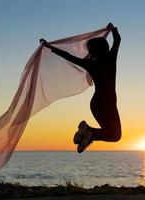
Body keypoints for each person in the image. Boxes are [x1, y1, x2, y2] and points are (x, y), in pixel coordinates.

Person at [40, 23, 121, 153]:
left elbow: (69, 57)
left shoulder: (91, 64)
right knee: (115, 135)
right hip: (108, 103)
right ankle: (89, 133)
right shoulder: (111, 58)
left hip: (97, 103)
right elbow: (117, 40)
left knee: (114, 135)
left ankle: (88, 133)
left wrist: (50, 47)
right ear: (105, 48)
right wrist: (113, 29)